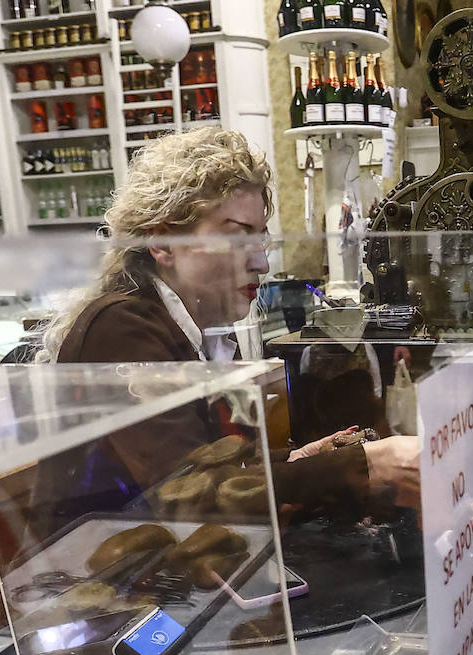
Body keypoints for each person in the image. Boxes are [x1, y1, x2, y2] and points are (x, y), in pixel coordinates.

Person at [36, 127, 417, 522]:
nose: (261, 264)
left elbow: (206, 465)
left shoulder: (191, 328)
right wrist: (364, 465)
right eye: (238, 238)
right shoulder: (121, 327)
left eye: (262, 241)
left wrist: (297, 458)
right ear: (163, 243)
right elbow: (189, 497)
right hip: (85, 574)